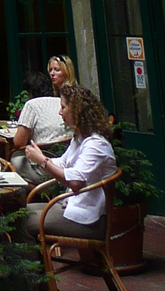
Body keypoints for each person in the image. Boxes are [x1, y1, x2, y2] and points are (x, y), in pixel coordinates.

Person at [22, 83, 116, 245]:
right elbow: (64, 163)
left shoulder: (96, 144)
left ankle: (33, 269)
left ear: (76, 110)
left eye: (63, 107)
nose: (60, 112)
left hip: (86, 218)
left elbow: (75, 182)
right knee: (18, 214)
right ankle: (36, 266)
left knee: (23, 223)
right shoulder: (80, 137)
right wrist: (38, 158)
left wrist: (43, 161)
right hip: (70, 206)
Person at [11, 69, 69, 182]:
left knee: (15, 158)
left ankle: (27, 195)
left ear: (30, 92)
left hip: (43, 167)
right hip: (66, 163)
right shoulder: (61, 102)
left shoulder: (31, 105)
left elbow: (18, 143)